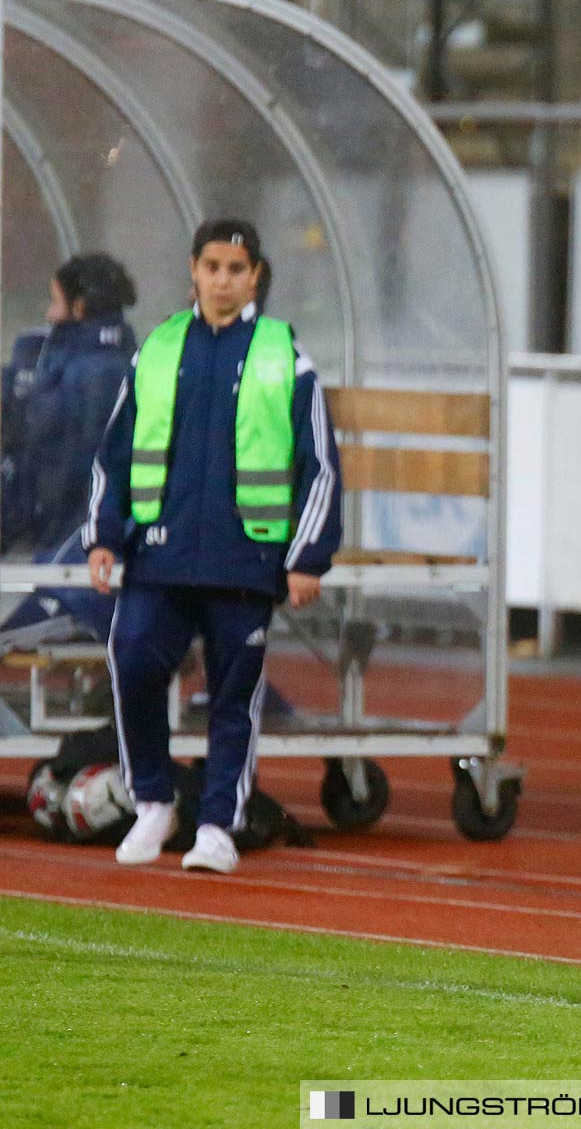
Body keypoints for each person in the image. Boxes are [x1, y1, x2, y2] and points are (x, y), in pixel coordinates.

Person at [84, 219, 342, 874]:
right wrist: (105, 538)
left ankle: (218, 827)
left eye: (236, 267)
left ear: (254, 275)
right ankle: (152, 801)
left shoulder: (286, 353)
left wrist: (307, 556)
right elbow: (115, 452)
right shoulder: (160, 346)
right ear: (193, 271)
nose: (223, 279)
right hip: (159, 554)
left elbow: (322, 464)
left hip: (245, 559)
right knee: (133, 657)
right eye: (212, 266)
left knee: (234, 697)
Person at [3, 255, 138, 552]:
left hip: (70, 536)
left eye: (55, 302)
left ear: (79, 308)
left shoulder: (93, 374)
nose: (49, 314)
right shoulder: (65, 358)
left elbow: (72, 465)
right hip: (59, 529)